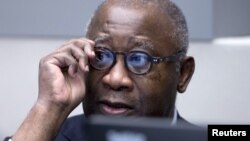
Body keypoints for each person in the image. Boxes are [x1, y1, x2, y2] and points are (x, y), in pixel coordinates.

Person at [5, 0, 195, 141]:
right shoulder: (46, 137)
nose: (115, 79)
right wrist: (47, 108)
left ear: (183, 74)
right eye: (102, 55)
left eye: (139, 59)